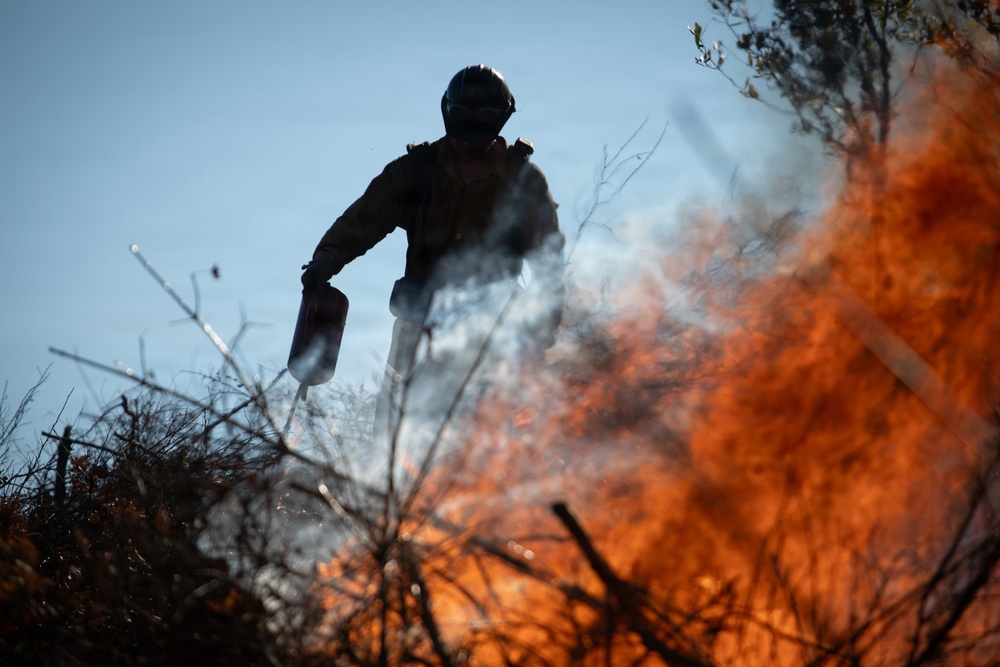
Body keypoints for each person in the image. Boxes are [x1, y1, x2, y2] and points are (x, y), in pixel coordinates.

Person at [301, 64, 564, 445]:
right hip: (417, 329)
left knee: (486, 440)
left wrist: (541, 337)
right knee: (394, 438)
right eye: (463, 127)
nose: (470, 142)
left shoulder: (523, 182)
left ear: (502, 120)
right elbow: (364, 218)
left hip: (491, 337)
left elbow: (549, 267)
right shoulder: (417, 171)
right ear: (447, 114)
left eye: (481, 130)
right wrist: (326, 259)